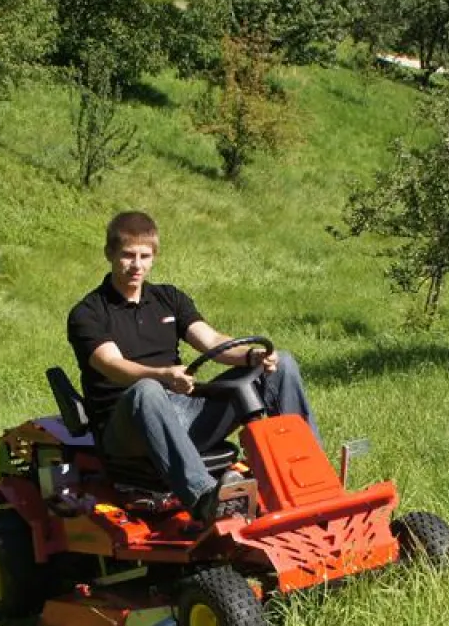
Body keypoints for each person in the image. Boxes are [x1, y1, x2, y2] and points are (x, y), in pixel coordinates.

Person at [66, 211, 319, 523]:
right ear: (110, 254)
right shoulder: (89, 313)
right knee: (147, 390)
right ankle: (204, 499)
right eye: (127, 255)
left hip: (183, 411)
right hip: (127, 426)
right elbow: (112, 365)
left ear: (154, 257)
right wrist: (162, 376)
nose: (137, 265)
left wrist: (250, 356)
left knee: (283, 364)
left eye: (145, 256)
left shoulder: (168, 298)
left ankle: (309, 478)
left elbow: (212, 341)